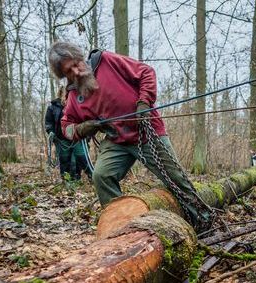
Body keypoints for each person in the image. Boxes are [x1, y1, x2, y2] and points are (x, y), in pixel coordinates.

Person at [47, 42, 213, 230]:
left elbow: (146, 72)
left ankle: (203, 220)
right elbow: (66, 127)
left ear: (80, 57)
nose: (76, 72)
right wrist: (84, 128)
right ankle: (120, 226)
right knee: (101, 175)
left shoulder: (107, 61)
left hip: (146, 131)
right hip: (116, 140)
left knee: (175, 178)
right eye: (69, 71)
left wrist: (144, 102)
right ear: (64, 75)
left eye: (76, 64)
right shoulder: (74, 95)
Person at [44, 85, 94, 181]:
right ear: (61, 94)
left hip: (77, 138)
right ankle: (66, 180)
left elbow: (86, 119)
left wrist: (87, 135)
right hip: (61, 139)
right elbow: (49, 122)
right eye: (65, 93)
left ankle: (91, 177)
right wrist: (50, 132)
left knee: (82, 158)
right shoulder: (52, 107)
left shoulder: (77, 104)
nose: (67, 96)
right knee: (64, 160)